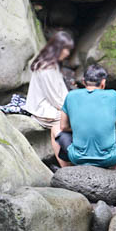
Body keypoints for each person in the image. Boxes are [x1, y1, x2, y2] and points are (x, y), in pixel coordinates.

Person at [54, 64, 116, 175]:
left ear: (83, 81)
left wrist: (81, 127)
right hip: (109, 159)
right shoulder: (113, 95)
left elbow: (63, 126)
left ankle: (67, 170)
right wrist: (111, 125)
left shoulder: (71, 95)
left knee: (55, 128)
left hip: (77, 158)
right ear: (103, 82)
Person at [22, 30, 74, 166]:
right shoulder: (46, 68)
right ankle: (67, 165)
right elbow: (55, 99)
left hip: (55, 104)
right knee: (73, 122)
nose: (67, 53)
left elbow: (62, 92)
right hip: (45, 109)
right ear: (57, 48)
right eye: (65, 49)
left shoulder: (53, 64)